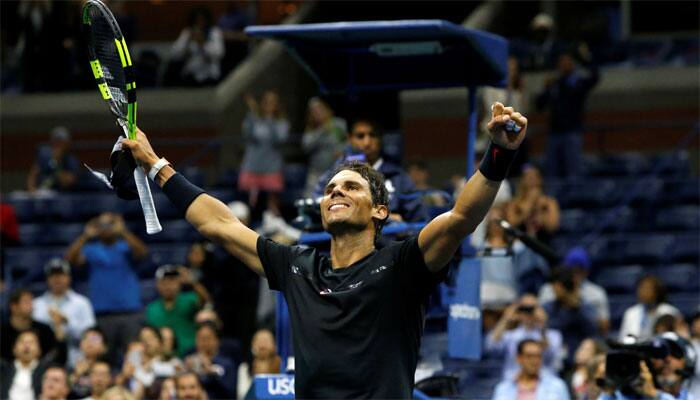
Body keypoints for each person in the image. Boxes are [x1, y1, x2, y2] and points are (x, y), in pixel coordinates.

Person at [121, 101, 528, 397]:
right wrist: (156, 164)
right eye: (331, 188)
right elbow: (220, 225)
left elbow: (460, 218)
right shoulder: (298, 266)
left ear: (380, 210)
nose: (336, 192)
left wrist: (499, 153)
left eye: (351, 187)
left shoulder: (403, 263)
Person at [65, 212, 148, 362]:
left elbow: (142, 252)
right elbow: (70, 259)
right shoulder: (91, 249)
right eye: (102, 224)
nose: (106, 228)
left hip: (129, 312)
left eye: (110, 224)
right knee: (102, 357)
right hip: (102, 314)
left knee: (134, 356)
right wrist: (85, 235)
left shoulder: (124, 247)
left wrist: (123, 231)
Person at [312, 118, 427, 222]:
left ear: (380, 138)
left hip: (389, 240)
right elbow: (317, 206)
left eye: (372, 135)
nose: (367, 142)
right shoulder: (335, 175)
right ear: (350, 139)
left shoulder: (398, 177)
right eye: (360, 136)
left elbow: (418, 220)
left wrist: (402, 227)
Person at [535, 45, 599, 178]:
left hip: (572, 133)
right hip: (554, 134)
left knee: (573, 172)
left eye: (568, 61)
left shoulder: (577, 82)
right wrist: (545, 88)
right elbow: (539, 105)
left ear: (573, 64)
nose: (565, 64)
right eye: (562, 61)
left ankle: (574, 198)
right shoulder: (554, 84)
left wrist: (586, 59)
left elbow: (595, 77)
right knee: (552, 173)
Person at [33, 258, 96, 367]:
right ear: (47, 279)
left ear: (69, 278)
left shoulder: (82, 303)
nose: (57, 279)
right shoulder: (37, 304)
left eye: (61, 275)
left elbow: (93, 337)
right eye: (53, 275)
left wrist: (67, 322)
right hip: (43, 361)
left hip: (77, 361)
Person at [486, 293, 564, 379]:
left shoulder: (553, 335)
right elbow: (490, 345)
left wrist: (543, 326)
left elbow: (551, 354)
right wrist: (506, 318)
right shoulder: (511, 335)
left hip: (544, 383)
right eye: (524, 309)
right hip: (514, 381)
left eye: (531, 308)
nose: (528, 313)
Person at [239, 90, 289, 215]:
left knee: (272, 204)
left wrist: (269, 119)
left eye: (273, 102)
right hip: (252, 166)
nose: (269, 105)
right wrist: (252, 114)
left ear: (277, 105)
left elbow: (279, 140)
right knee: (250, 204)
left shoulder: (282, 122)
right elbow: (247, 135)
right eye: (266, 102)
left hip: (271, 167)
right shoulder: (254, 118)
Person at [539, 247, 610, 335]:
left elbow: (601, 330)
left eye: (580, 270)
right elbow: (543, 326)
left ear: (586, 271)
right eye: (572, 270)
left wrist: (577, 307)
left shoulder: (596, 293)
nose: (576, 275)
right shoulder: (549, 290)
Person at [145, 265, 212, 357]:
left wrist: (192, 282)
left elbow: (206, 301)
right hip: (164, 358)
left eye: (172, 281)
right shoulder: (152, 309)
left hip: (190, 354)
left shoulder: (189, 299)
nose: (168, 286)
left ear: (179, 283)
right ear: (158, 285)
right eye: (164, 282)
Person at [542, 268, 598, 366]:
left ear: (564, 287)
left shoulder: (583, 307)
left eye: (557, 286)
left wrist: (577, 308)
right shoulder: (549, 307)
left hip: (575, 360)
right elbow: (549, 327)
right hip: (552, 359)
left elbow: (593, 331)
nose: (554, 290)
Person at [491, 339, 571, 400]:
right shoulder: (503, 389)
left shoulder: (557, 386)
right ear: (519, 358)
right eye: (529, 356)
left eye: (538, 356)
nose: (534, 361)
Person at [117, 325, 182, 399]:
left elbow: (177, 373)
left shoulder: (172, 361)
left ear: (160, 341)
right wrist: (124, 374)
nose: (147, 342)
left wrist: (150, 366)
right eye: (143, 339)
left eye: (150, 338)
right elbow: (118, 384)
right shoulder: (134, 359)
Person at [0, 330, 67, 400]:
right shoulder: (3, 369)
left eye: (31, 342)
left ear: (39, 350)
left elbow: (61, 358)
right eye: (22, 342)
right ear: (14, 349)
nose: (26, 346)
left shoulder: (46, 371)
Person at [1, 288, 63, 362]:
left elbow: (58, 354)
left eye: (31, 302)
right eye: (27, 302)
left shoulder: (44, 329)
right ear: (14, 306)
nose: (32, 306)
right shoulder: (2, 330)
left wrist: (58, 325)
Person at [301, 97, 347, 196]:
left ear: (326, 109)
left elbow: (347, 141)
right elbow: (306, 147)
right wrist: (322, 130)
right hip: (316, 173)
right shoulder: (311, 130)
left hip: (336, 171)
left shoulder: (338, 124)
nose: (317, 113)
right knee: (310, 200)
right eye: (313, 111)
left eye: (319, 109)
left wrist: (341, 150)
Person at [505, 164, 560, 246]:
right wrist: (529, 203)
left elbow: (553, 226)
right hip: (520, 245)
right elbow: (511, 225)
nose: (532, 179)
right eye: (528, 176)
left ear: (540, 179)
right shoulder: (514, 203)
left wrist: (540, 211)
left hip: (544, 245)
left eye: (535, 176)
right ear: (522, 180)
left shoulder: (549, 202)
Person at [169, 7, 224, 86]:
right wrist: (187, 42)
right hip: (191, 75)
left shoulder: (214, 32)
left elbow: (219, 53)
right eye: (197, 20)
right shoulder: (187, 32)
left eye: (202, 20)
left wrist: (201, 44)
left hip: (209, 75)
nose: (199, 23)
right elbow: (174, 54)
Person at [619, 275, 681, 341]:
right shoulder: (630, 313)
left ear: (657, 292)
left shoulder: (670, 312)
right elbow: (623, 338)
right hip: (635, 349)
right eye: (641, 288)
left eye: (648, 288)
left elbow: (676, 339)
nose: (643, 292)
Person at [184, 322, 236, 400]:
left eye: (207, 338)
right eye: (200, 338)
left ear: (217, 340)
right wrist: (185, 370)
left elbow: (231, 392)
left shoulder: (226, 364)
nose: (203, 342)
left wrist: (211, 371)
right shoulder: (189, 359)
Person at [27, 126, 79, 192]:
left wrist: (56, 161)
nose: (57, 144)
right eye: (56, 141)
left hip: (59, 195)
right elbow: (33, 174)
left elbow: (66, 183)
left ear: (67, 143)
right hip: (40, 192)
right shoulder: (44, 155)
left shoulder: (71, 161)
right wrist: (31, 189)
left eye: (61, 142)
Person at [236, 328, 281, 399]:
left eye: (266, 341)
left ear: (274, 345)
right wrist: (257, 378)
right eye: (258, 341)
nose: (262, 344)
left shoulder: (282, 366)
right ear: (252, 346)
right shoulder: (245, 367)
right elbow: (242, 395)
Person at [69, 328, 109, 398]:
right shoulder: (71, 367)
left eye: (94, 339)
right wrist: (76, 375)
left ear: (104, 347)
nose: (89, 342)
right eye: (85, 338)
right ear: (80, 344)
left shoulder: (110, 367)